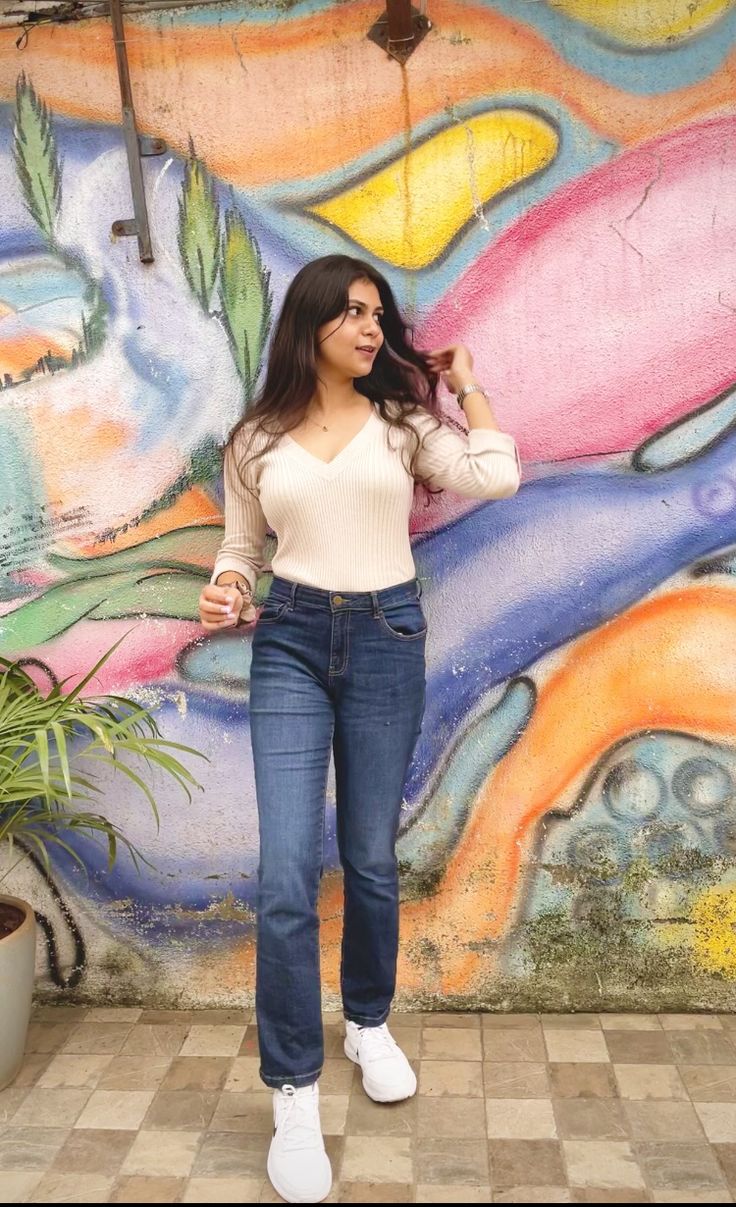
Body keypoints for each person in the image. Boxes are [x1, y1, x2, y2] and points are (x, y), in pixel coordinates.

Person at [198, 254, 520, 1203]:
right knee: (287, 871)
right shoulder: (254, 441)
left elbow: (493, 474)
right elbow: (240, 549)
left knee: (371, 857)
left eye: (376, 313)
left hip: (386, 639)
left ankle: (368, 1020)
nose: (370, 327)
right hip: (290, 641)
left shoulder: (404, 425)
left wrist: (468, 386)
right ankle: (293, 1091)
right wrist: (225, 586)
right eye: (349, 312)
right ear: (308, 325)